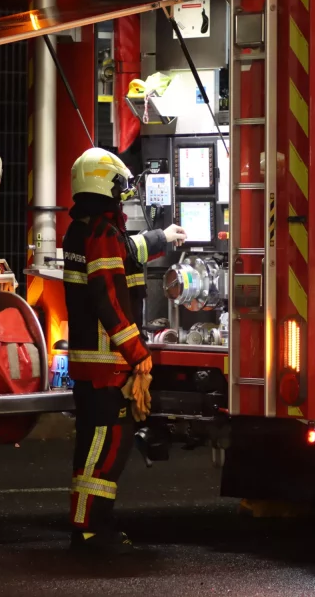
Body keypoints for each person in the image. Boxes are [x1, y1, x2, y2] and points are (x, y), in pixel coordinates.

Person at [62, 147, 186, 555]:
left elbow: (125, 251)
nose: (124, 193)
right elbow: (109, 300)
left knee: (95, 450)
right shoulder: (101, 233)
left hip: (95, 367)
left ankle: (90, 526)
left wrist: (162, 238)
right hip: (108, 367)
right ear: (107, 185)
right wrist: (137, 352)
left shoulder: (87, 230)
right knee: (105, 451)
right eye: (120, 186)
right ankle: (91, 532)